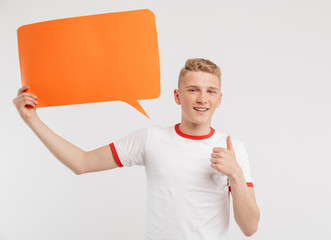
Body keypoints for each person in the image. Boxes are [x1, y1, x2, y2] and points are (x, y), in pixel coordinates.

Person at [13, 58, 260, 239]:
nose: (202, 99)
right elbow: (82, 162)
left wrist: (235, 174)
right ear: (177, 96)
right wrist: (32, 120)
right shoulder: (151, 139)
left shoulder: (233, 149)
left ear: (219, 99)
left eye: (210, 91)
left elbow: (249, 227)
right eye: (193, 90)